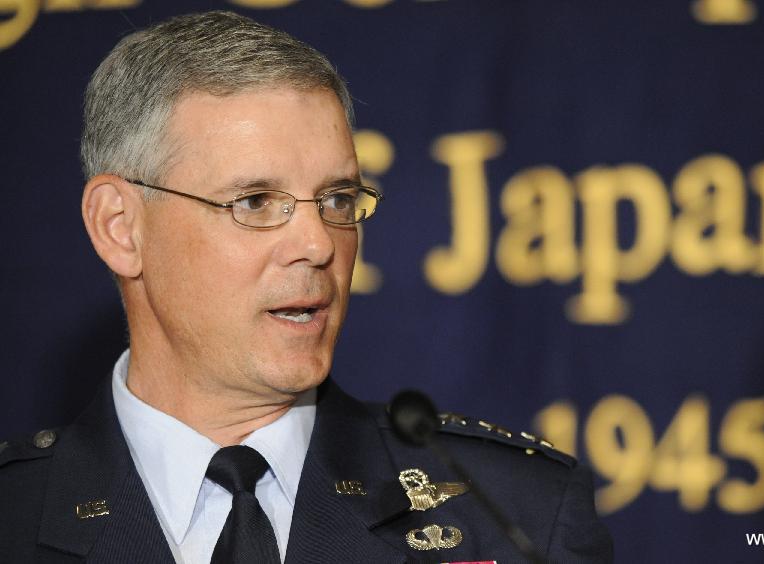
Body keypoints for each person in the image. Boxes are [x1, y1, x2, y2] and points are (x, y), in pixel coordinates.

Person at [0, 11, 612, 563]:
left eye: (337, 199)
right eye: (256, 201)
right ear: (120, 227)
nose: (319, 245)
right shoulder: (15, 514)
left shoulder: (520, 515)